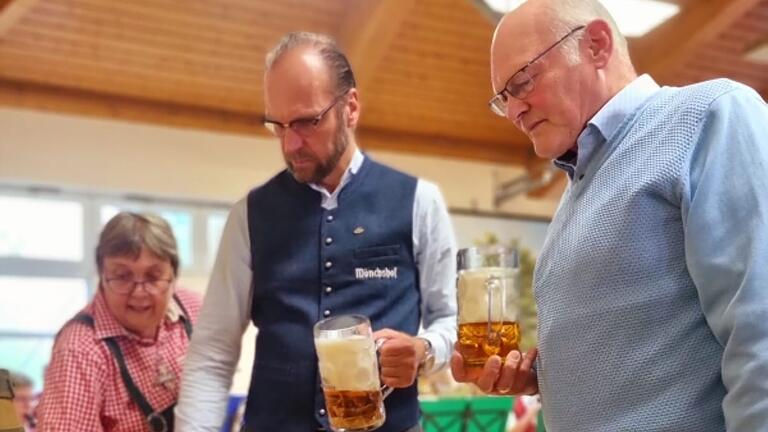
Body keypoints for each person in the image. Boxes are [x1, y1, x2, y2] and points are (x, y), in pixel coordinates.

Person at [450, 0, 768, 431]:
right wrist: (542, 377)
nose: (512, 112)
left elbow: (759, 329)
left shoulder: (708, 115)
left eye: (522, 82)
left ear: (596, 46)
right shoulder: (576, 188)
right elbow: (640, 351)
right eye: (502, 99)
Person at [175, 31, 457, 432]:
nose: (291, 143)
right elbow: (213, 352)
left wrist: (425, 350)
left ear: (351, 108)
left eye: (307, 122)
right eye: (278, 125)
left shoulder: (419, 202)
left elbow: (451, 319)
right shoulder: (249, 215)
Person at [37, 212, 201, 432]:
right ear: (101, 275)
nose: (140, 292)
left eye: (153, 276)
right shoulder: (79, 350)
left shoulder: (193, 309)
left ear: (174, 274)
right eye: (123, 276)